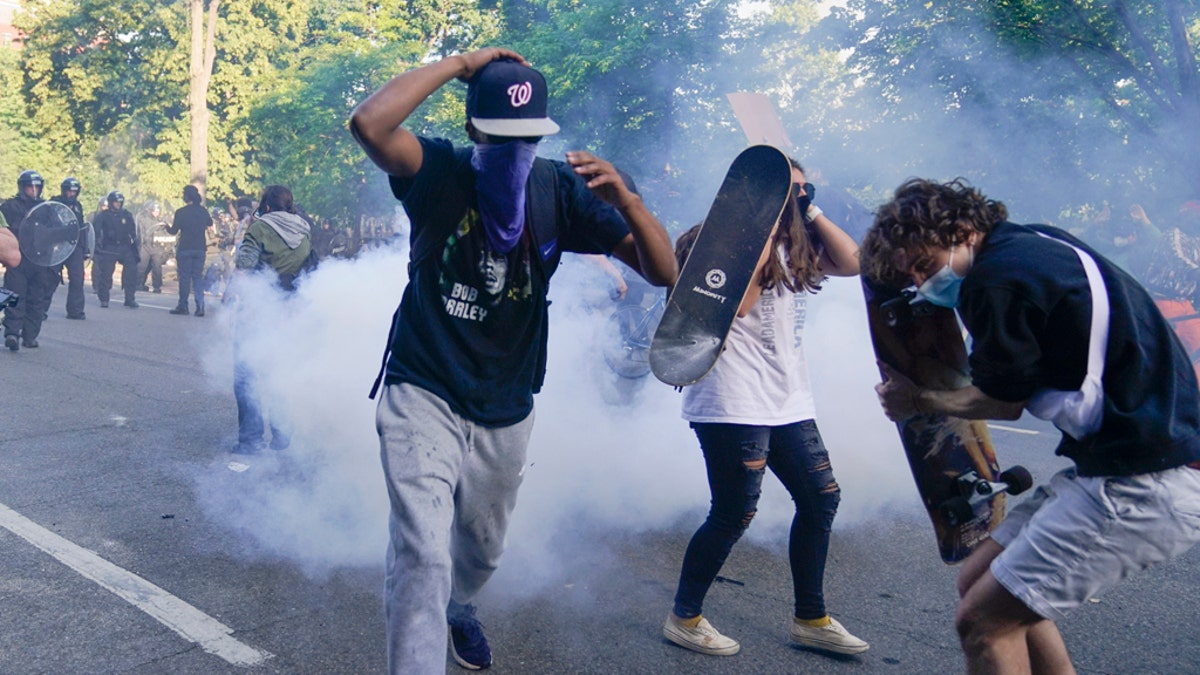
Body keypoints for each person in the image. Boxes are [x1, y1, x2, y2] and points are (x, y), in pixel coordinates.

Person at [349, 48, 677, 673]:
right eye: (502, 136)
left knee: (480, 552)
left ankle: (460, 605)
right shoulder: (439, 170)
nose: (515, 151)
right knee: (422, 553)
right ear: (474, 129)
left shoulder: (558, 188)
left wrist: (628, 201)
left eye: (528, 138)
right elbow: (370, 124)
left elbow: (663, 271)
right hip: (424, 386)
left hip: (506, 402)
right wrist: (457, 64)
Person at [862, 178, 1200, 674]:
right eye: (909, 275)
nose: (919, 283)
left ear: (960, 230)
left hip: (1143, 486)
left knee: (982, 622)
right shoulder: (1036, 241)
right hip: (1121, 466)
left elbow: (1002, 403)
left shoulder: (995, 281)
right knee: (980, 580)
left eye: (923, 264)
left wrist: (917, 400)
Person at [662, 160, 868, 658]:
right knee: (734, 513)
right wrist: (759, 227)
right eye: (786, 190)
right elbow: (736, 306)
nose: (795, 199)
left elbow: (852, 261)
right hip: (732, 402)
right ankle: (684, 617)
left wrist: (810, 209)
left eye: (802, 190)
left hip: (787, 400)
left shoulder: (798, 245)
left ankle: (811, 619)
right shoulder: (709, 241)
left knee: (821, 499)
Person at [228, 184, 314, 454]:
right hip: (289, 309)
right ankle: (282, 434)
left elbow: (244, 263)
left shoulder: (260, 228)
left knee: (246, 374)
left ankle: (251, 441)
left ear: (266, 206)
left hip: (259, 308)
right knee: (279, 371)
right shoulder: (304, 230)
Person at [1, 170, 59, 350]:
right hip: (18, 260)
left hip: (41, 261)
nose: (33, 190)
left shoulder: (47, 209)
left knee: (37, 300)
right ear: (21, 187)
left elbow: (58, 231)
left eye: (37, 187)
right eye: (29, 187)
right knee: (14, 297)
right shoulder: (10, 206)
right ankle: (12, 333)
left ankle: (30, 336)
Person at [168, 185, 213, 317]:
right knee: (197, 277)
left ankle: (183, 306)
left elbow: (173, 231)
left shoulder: (181, 212)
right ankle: (200, 306)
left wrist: (166, 227)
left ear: (186, 196)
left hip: (185, 248)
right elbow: (209, 223)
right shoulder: (203, 211)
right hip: (200, 248)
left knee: (185, 278)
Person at [93, 191, 140, 309]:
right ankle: (104, 299)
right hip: (109, 247)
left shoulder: (126, 215)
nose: (118, 205)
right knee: (106, 274)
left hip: (125, 247)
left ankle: (130, 298)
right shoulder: (103, 216)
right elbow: (96, 232)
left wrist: (133, 243)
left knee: (131, 271)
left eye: (120, 202)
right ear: (110, 202)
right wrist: (97, 247)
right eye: (115, 202)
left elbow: (133, 232)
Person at [51, 177, 90, 320]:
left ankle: (75, 310)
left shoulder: (78, 206)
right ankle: (40, 309)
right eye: (69, 191)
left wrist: (85, 248)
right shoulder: (54, 203)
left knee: (77, 278)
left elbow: (81, 228)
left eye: (74, 191)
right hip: (57, 245)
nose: (71, 194)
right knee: (49, 278)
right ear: (63, 190)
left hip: (74, 246)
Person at [135, 202, 172, 294]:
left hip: (157, 247)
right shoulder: (143, 219)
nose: (157, 213)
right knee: (142, 266)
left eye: (158, 211)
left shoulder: (161, 221)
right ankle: (138, 284)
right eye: (155, 211)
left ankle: (157, 286)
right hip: (145, 246)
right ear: (150, 211)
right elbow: (140, 232)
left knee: (157, 267)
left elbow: (167, 233)